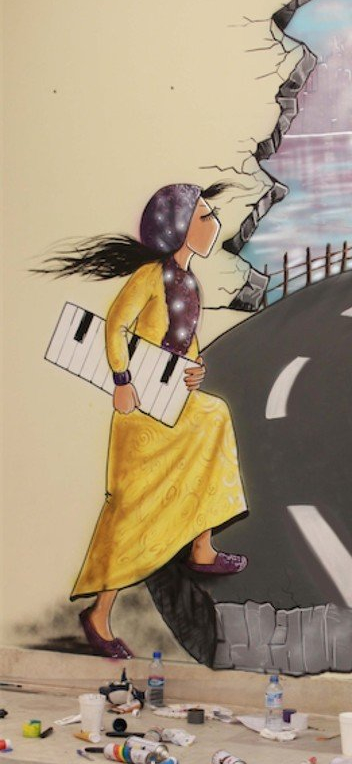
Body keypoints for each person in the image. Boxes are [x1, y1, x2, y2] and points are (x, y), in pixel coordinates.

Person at [40, 183, 248, 659]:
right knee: (130, 506)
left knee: (215, 416)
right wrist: (122, 379)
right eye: (203, 216)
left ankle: (201, 545)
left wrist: (195, 370)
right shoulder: (150, 277)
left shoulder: (189, 283)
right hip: (139, 411)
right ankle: (98, 613)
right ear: (178, 227)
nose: (213, 224)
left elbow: (186, 342)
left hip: (170, 399)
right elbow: (116, 325)